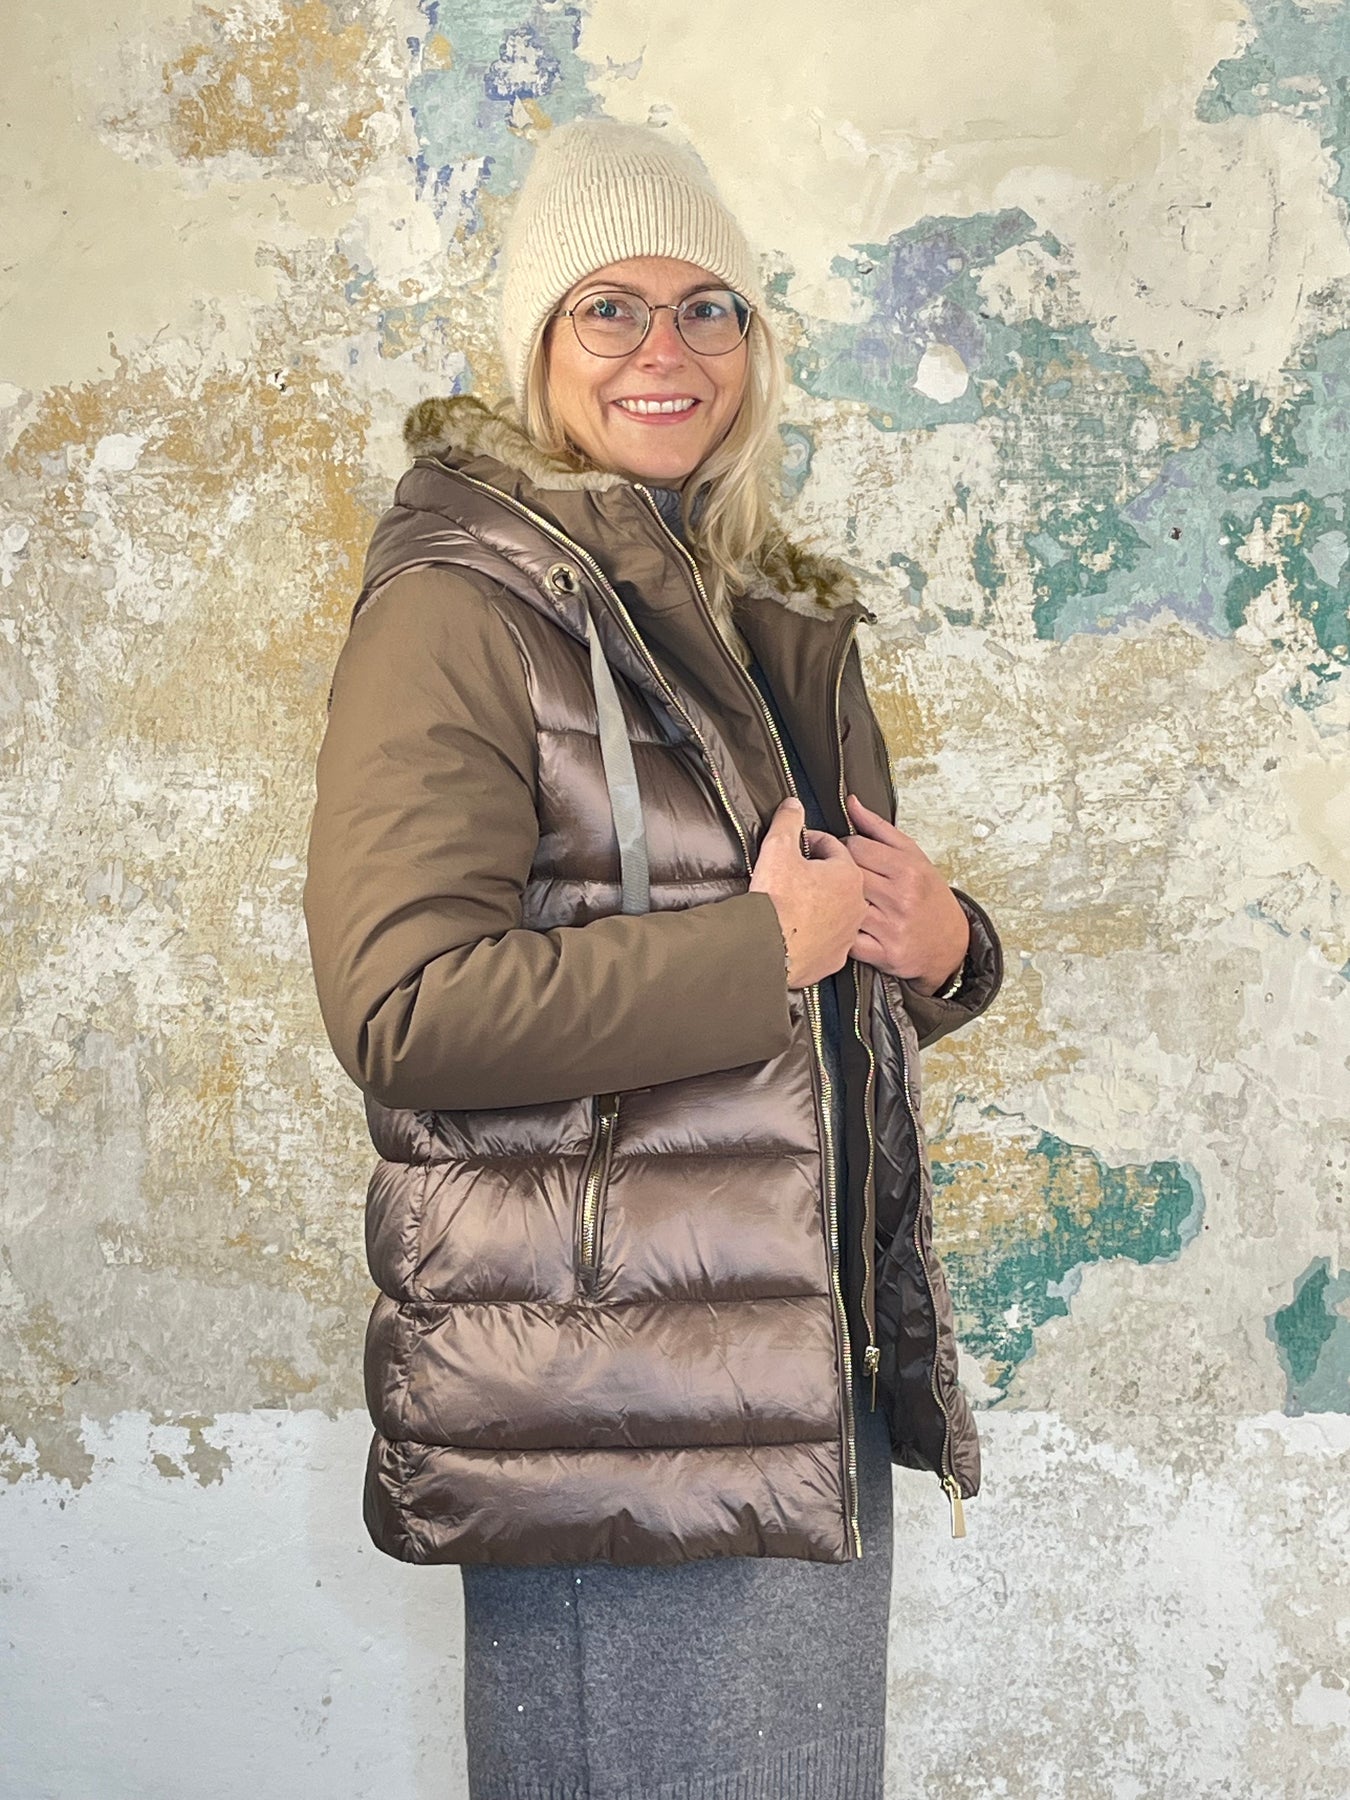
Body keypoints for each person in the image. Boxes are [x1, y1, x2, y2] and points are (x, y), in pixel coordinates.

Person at [304, 118, 1003, 1800]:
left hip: (790, 1366)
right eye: (606, 307)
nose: (662, 351)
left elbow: (813, 983)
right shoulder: (461, 611)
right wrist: (762, 948)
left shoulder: (757, 616)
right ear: (535, 346)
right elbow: (403, 1009)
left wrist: (939, 950)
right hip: (606, 1387)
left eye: (707, 308)